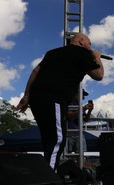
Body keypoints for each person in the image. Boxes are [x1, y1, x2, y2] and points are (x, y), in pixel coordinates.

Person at [17, 33, 104, 171]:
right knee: (56, 140)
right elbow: (99, 75)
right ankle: (49, 181)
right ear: (81, 41)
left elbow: (35, 71)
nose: (90, 46)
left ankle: (49, 175)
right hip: (53, 98)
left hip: (36, 98)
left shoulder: (52, 53)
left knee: (49, 138)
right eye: (89, 43)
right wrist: (97, 57)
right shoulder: (82, 53)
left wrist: (26, 96)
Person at [67, 89, 94, 154]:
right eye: (82, 95)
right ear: (76, 95)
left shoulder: (80, 106)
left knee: (82, 154)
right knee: (67, 154)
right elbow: (68, 116)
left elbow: (85, 119)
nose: (83, 98)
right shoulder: (68, 104)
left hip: (79, 133)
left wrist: (89, 111)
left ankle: (82, 163)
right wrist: (83, 109)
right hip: (68, 133)